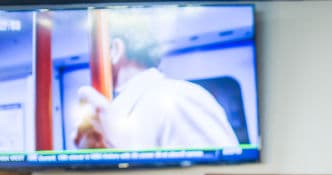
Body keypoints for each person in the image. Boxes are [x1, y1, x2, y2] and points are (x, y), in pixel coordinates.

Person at [74, 9, 239, 150]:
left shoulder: (179, 99)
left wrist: (118, 151)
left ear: (115, 50)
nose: (91, 63)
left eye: (94, 55)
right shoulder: (117, 114)